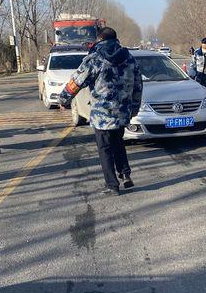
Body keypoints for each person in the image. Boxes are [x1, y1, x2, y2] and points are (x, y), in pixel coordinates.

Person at [58, 26, 143, 196]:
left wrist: (63, 99)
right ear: (116, 39)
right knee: (118, 142)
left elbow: (77, 81)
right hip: (122, 112)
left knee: (105, 149)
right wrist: (134, 107)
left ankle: (112, 185)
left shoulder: (94, 59)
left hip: (102, 115)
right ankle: (125, 174)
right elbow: (138, 85)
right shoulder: (129, 58)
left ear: (99, 39)